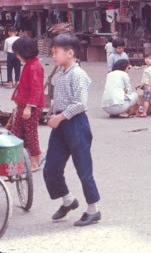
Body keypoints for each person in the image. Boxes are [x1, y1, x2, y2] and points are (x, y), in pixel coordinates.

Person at [43, 33, 101, 227]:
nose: (53, 56)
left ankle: (93, 209)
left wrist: (59, 117)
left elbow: (80, 104)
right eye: (52, 52)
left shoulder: (78, 74)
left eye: (55, 52)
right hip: (60, 125)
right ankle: (68, 200)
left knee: (83, 169)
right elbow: (58, 100)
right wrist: (52, 115)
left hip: (76, 124)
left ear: (70, 53)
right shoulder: (60, 73)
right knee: (51, 168)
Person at [9, 37, 46, 171]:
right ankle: (15, 160)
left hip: (30, 107)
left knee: (30, 134)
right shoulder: (30, 64)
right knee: (16, 132)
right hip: (23, 105)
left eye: (17, 53)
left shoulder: (34, 66)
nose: (16, 56)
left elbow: (36, 89)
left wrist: (28, 107)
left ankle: (35, 160)